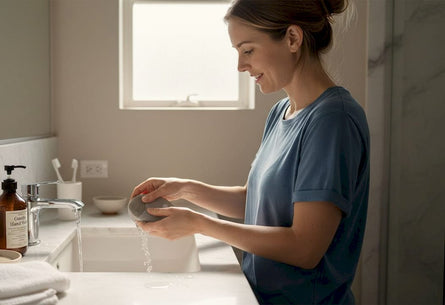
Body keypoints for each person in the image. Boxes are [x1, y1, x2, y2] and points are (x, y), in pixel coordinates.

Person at [131, 0, 369, 304]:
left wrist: (200, 224)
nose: (240, 66)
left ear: (293, 39)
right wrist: (185, 188)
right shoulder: (282, 112)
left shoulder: (333, 120)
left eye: (248, 50)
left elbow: (304, 249)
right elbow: (256, 201)